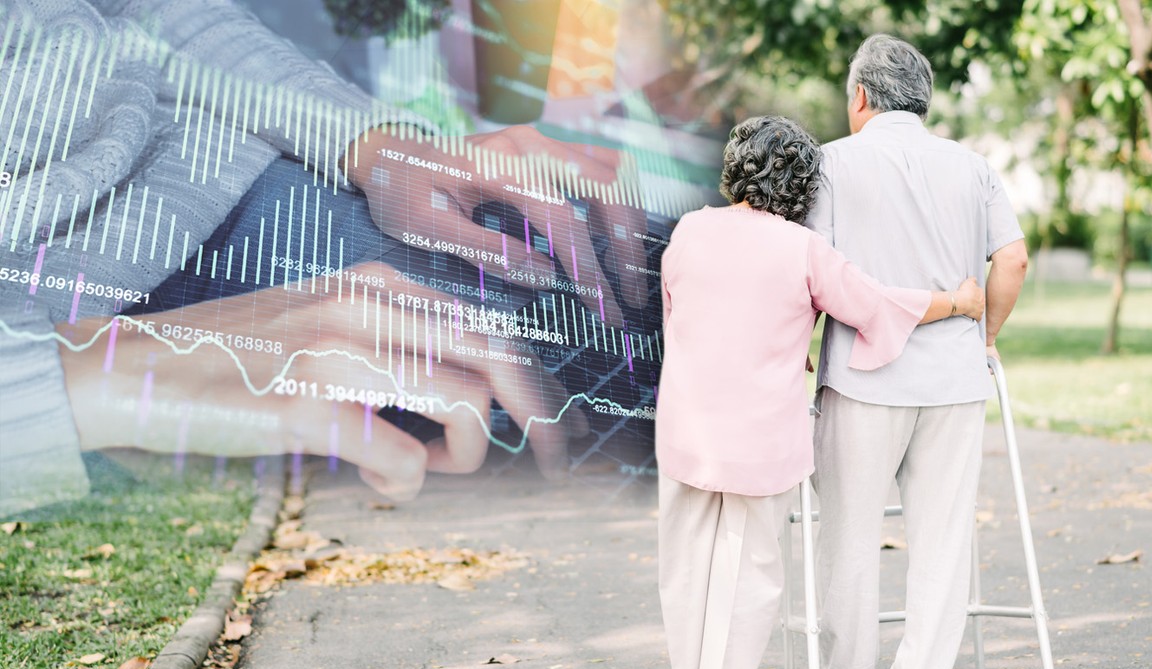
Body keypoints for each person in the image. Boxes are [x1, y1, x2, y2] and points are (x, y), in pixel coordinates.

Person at [0, 0, 663, 516]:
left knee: (642, 288)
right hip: (65, 331)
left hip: (235, 168)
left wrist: (369, 142)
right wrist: (66, 377)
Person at [655, 115, 985, 669]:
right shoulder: (800, 248)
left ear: (735, 169)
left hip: (687, 425)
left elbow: (683, 316)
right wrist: (960, 303)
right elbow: (874, 304)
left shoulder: (689, 231)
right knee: (751, 562)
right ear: (802, 186)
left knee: (687, 557)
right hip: (761, 435)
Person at [800, 34, 1030, 669]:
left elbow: (809, 267)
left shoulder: (831, 164)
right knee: (942, 536)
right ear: (923, 100)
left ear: (862, 96)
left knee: (848, 533)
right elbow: (1012, 260)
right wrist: (983, 336)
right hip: (954, 379)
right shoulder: (972, 165)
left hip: (864, 381)